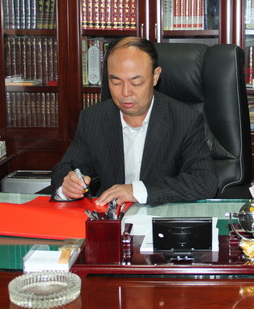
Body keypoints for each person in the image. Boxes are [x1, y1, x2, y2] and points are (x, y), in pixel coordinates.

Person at [51, 36, 218, 206]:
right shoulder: (93, 118)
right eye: (116, 82)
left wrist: (136, 191)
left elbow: (204, 181)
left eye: (136, 82)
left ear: (155, 76)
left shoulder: (184, 119)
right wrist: (68, 185)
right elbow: (65, 168)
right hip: (110, 217)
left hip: (157, 214)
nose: (125, 92)